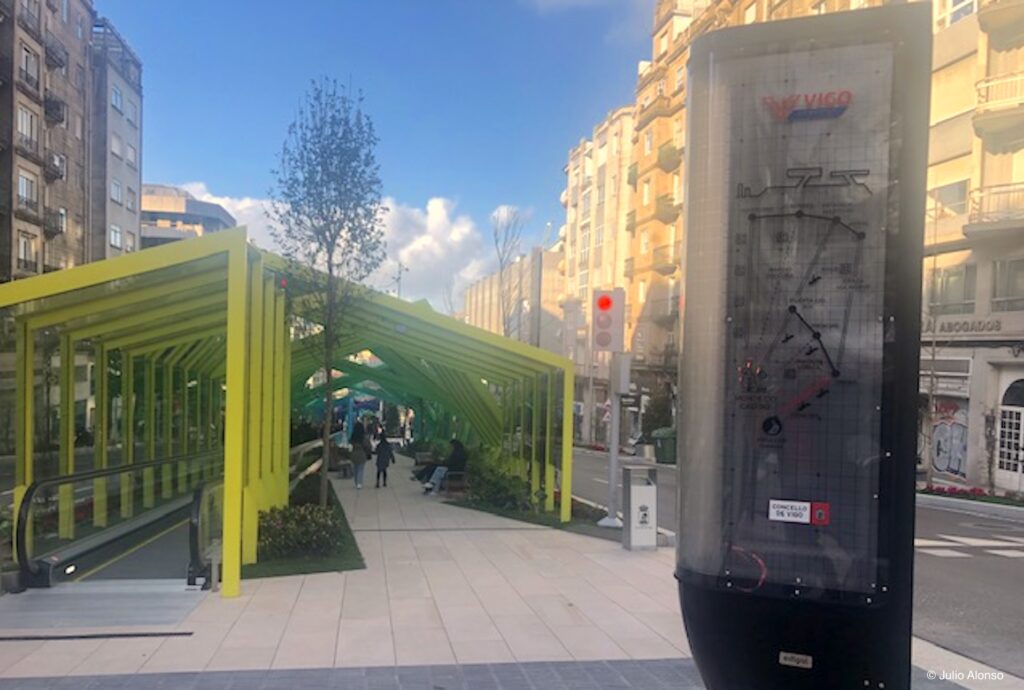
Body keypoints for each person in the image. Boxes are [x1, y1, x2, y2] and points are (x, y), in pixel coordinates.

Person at [349, 421, 371, 489]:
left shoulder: (353, 436)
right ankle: (359, 483)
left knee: (355, 468)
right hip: (362, 454)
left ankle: (356, 482)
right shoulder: (364, 437)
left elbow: (349, 442)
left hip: (354, 453)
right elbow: (368, 446)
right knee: (360, 469)